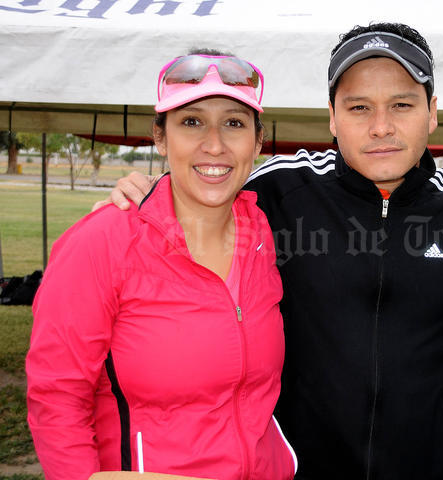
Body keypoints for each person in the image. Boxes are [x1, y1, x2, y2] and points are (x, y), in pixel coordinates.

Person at [100, 24, 443, 479]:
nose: (381, 127)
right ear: (332, 118)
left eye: (401, 105)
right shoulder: (277, 192)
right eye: (359, 107)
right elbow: (202, 190)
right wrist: (151, 188)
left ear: (431, 112)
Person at [26, 51, 297, 480]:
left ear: (258, 142)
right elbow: (56, 397)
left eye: (234, 122)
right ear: (160, 137)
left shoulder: (265, 232)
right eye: (191, 122)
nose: (214, 144)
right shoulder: (102, 242)